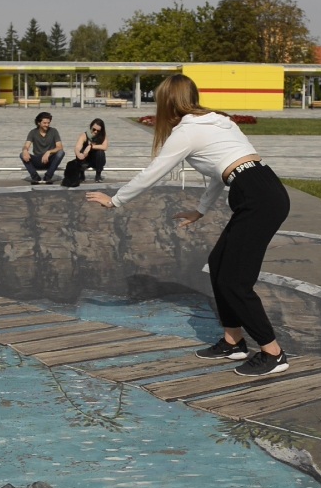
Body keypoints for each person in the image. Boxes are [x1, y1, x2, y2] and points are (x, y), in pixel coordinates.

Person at [85, 74, 291, 377]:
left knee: (235, 281)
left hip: (258, 196)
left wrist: (116, 200)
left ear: (168, 103)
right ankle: (233, 342)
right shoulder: (219, 121)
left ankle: (273, 352)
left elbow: (153, 172)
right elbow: (221, 171)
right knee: (218, 264)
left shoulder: (186, 132)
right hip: (262, 187)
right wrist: (200, 210)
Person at [21, 111, 64, 184]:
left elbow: (60, 147)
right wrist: (25, 150)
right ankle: (35, 177)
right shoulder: (33, 132)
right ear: (38, 123)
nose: (47, 125)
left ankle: (48, 176)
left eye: (48, 123)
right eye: (44, 123)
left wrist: (49, 152)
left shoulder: (53, 131)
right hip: (38, 160)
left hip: (49, 160)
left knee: (61, 153)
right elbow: (26, 145)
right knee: (22, 154)